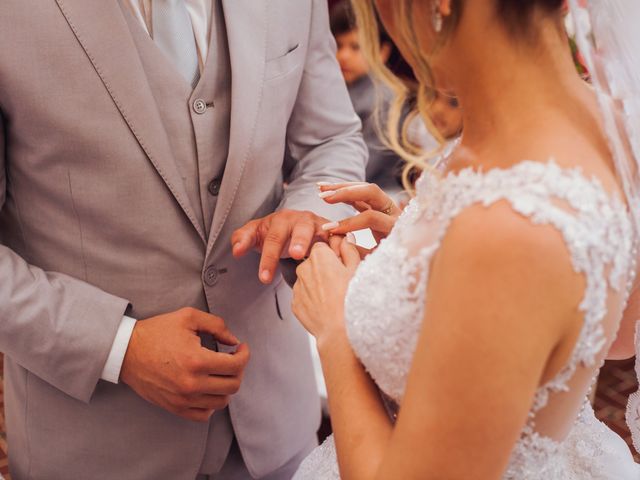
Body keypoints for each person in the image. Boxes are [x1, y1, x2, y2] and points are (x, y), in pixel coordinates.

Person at [0, 1, 365, 478]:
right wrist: (116, 346)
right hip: (96, 446)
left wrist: (309, 214)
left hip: (279, 433)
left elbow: (330, 140)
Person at [291, 0, 640, 478]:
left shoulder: (506, 222)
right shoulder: (611, 126)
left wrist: (335, 330)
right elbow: (613, 332)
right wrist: (425, 249)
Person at [330, 0, 405, 195]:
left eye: (356, 47)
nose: (343, 55)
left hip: (381, 191)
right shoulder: (341, 85)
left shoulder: (384, 99)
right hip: (341, 180)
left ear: (382, 52)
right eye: (338, 45)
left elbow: (368, 164)